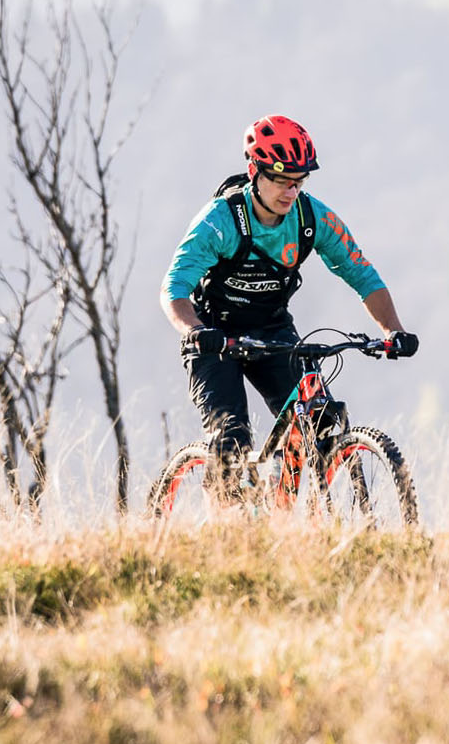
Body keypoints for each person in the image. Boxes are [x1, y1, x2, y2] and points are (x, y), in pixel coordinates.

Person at [162, 115, 415, 480]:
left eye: (298, 182)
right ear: (254, 172)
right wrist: (195, 331)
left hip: (271, 329)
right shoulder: (220, 222)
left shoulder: (313, 218)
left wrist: (394, 331)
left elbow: (362, 274)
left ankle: (288, 508)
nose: (290, 192)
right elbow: (174, 290)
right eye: (281, 181)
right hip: (214, 335)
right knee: (231, 440)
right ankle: (225, 517)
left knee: (320, 420)